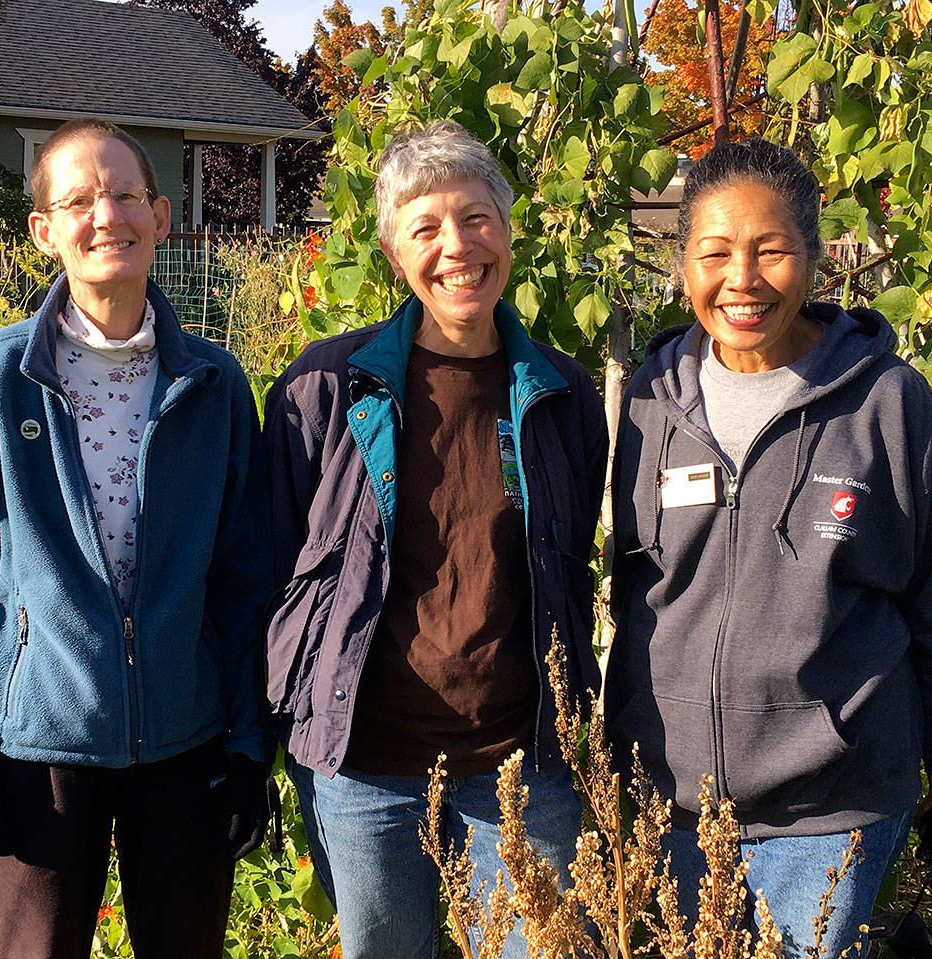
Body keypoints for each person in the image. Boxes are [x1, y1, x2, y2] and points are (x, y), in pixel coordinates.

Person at [604, 138, 932, 956]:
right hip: (672, 802)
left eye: (771, 250)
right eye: (716, 252)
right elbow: (636, 586)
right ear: (683, 264)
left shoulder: (886, 401)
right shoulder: (651, 399)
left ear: (816, 258)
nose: (742, 279)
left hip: (835, 803)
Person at [0, 118, 272, 959]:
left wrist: (248, 744)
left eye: (126, 195)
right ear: (44, 231)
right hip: (32, 751)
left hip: (186, 744)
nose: (107, 215)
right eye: (79, 200)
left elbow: (243, 577)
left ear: (161, 217)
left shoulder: (213, 384)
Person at [263, 119, 607, 959]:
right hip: (364, 764)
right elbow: (270, 571)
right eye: (426, 228)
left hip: (521, 761)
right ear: (394, 255)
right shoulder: (326, 388)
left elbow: (570, 567)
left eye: (476, 217)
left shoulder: (562, 394)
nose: (457, 246)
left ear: (508, 231)